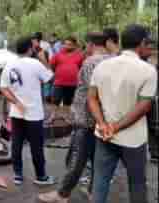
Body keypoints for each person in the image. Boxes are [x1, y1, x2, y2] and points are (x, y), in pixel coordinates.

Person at [38, 32, 112, 203]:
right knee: (96, 159)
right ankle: (94, 192)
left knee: (76, 159)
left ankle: (62, 194)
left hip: (87, 119)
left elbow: (92, 93)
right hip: (102, 119)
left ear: (91, 44)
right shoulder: (111, 60)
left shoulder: (91, 62)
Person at [88, 24, 157, 203]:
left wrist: (103, 125)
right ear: (141, 42)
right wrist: (116, 127)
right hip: (133, 140)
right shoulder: (148, 71)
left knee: (100, 182)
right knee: (137, 184)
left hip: (104, 136)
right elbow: (144, 107)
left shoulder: (101, 66)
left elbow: (92, 99)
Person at [0, 37, 56, 186]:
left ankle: (17, 175)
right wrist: (43, 59)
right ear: (30, 49)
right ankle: (41, 176)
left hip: (16, 113)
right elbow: (50, 78)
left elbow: (3, 88)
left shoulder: (9, 65)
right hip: (34, 113)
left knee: (16, 144)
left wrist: (16, 102)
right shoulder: (35, 64)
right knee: (36, 146)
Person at [48, 36, 85, 122]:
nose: (67, 46)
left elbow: (81, 68)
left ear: (74, 46)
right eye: (65, 44)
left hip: (72, 83)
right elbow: (52, 66)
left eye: (70, 44)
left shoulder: (79, 56)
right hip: (59, 82)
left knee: (67, 102)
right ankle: (53, 116)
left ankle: (66, 117)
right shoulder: (57, 55)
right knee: (55, 100)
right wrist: (58, 73)